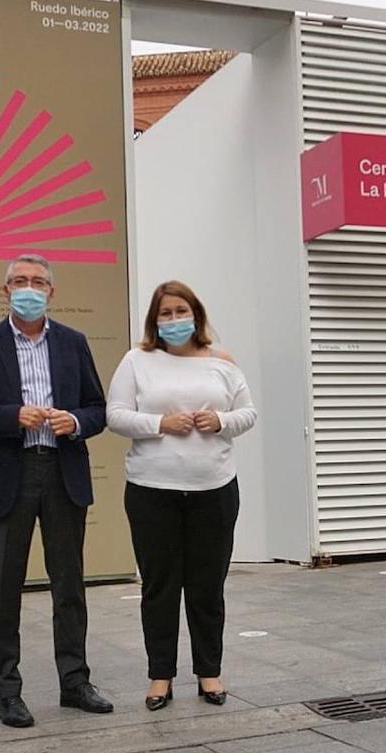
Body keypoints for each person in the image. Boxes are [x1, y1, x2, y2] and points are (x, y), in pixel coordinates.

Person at [0, 253, 113, 728]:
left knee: (69, 585)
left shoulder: (72, 342)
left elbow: (98, 407)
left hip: (63, 471)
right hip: (11, 472)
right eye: (20, 281)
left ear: (52, 291)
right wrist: (12, 417)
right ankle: (7, 691)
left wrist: (77, 421)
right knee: (3, 589)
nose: (30, 288)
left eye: (38, 282)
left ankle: (75, 681)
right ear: (6, 290)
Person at [105, 280, 256, 711]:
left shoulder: (221, 361)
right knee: (160, 587)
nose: (174, 320)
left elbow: (248, 412)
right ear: (155, 320)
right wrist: (158, 424)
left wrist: (221, 420)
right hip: (153, 490)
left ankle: (209, 672)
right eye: (165, 313)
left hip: (214, 489)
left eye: (181, 311)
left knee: (208, 587)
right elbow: (115, 415)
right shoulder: (137, 361)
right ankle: (160, 675)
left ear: (197, 315)